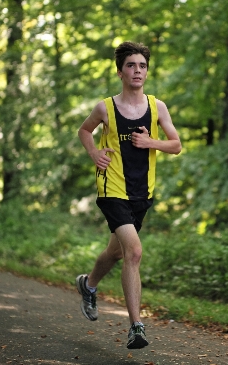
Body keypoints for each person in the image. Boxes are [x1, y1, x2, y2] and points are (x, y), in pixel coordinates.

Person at [76, 41, 182, 350]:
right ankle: (136, 326)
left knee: (118, 252)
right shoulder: (105, 108)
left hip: (142, 193)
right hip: (112, 189)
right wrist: (94, 152)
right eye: (131, 65)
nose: (137, 70)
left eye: (142, 66)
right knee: (134, 252)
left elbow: (175, 145)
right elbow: (85, 131)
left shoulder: (157, 106)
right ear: (120, 71)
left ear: (147, 71)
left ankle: (89, 284)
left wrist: (152, 143)